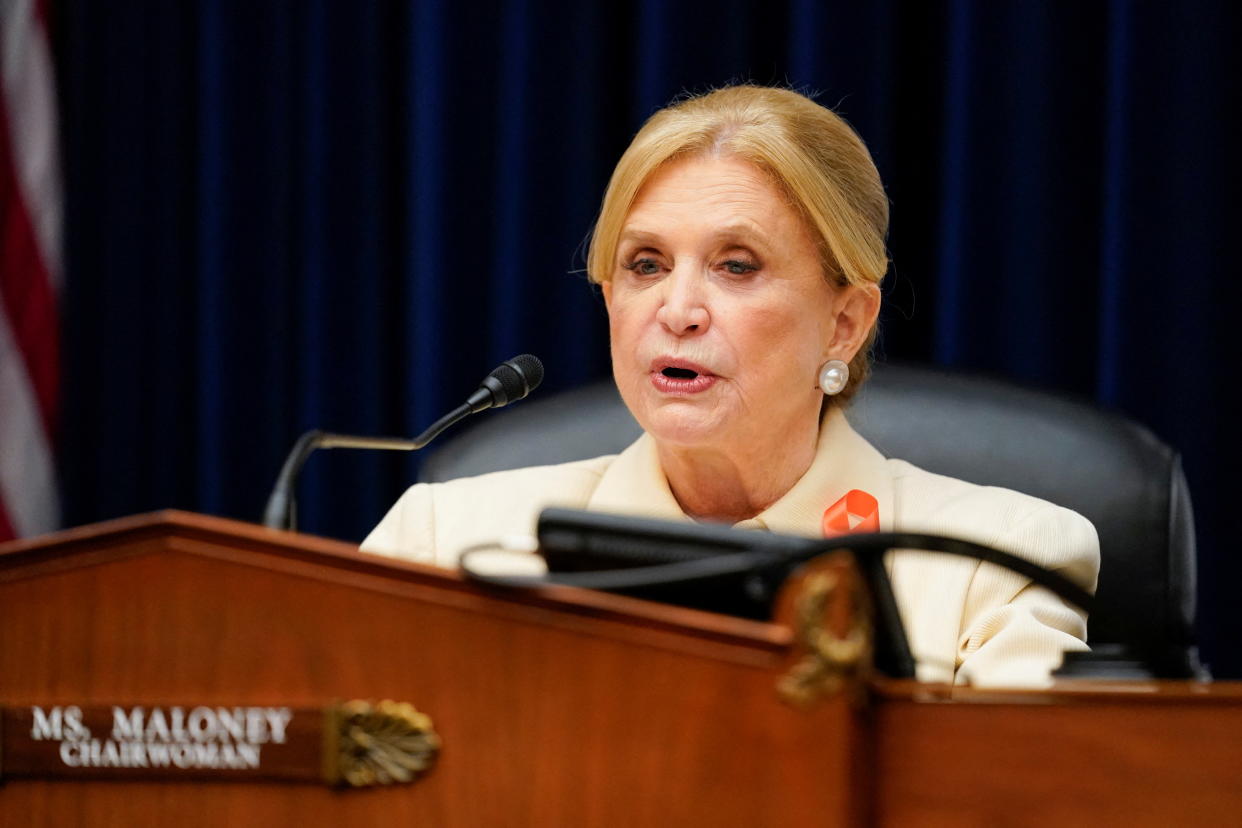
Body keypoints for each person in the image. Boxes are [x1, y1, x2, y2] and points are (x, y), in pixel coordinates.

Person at [362, 85, 1099, 686]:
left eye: (736, 265)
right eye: (646, 264)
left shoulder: (993, 561)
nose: (676, 311)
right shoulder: (443, 544)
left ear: (845, 323)